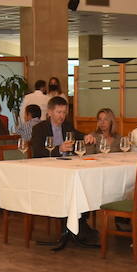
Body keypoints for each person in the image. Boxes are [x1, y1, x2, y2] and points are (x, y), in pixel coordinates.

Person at [29, 97, 95, 249]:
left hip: (66, 169)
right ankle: (75, 227)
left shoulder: (67, 125)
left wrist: (86, 136)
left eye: (64, 112)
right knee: (71, 189)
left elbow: (78, 135)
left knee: (84, 185)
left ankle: (78, 223)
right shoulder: (39, 128)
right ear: (50, 112)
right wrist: (59, 149)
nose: (62, 115)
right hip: (47, 172)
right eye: (59, 112)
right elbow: (38, 151)